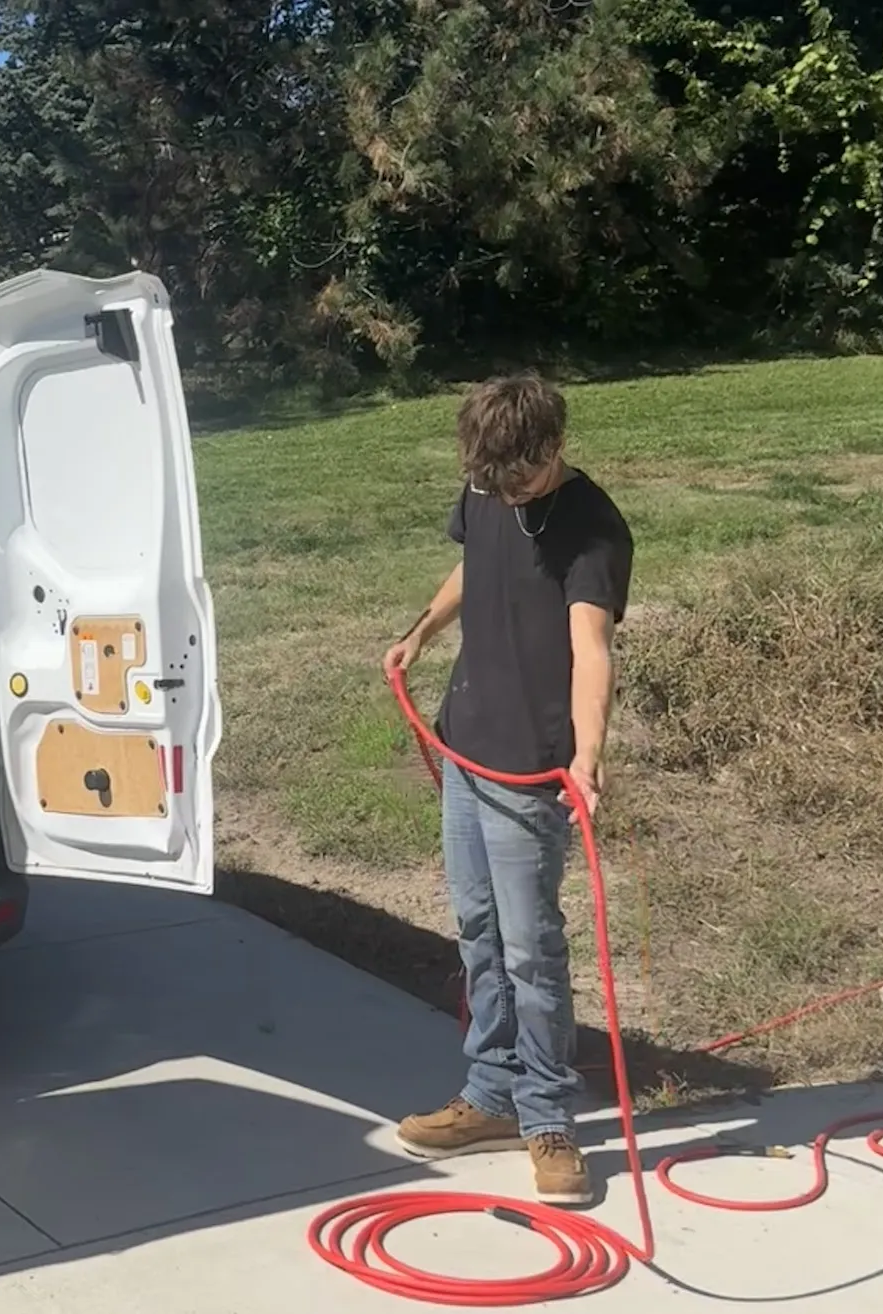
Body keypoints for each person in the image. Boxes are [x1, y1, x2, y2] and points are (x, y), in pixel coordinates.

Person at [381, 374, 633, 1207]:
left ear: (553, 448)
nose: (503, 494)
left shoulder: (591, 528)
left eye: (517, 480)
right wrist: (422, 630)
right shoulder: (490, 485)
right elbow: (473, 565)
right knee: (479, 934)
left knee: (531, 949)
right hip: (467, 746)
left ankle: (548, 1118)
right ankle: (489, 1095)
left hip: (530, 766)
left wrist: (588, 756)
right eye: (490, 481)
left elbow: (592, 649)